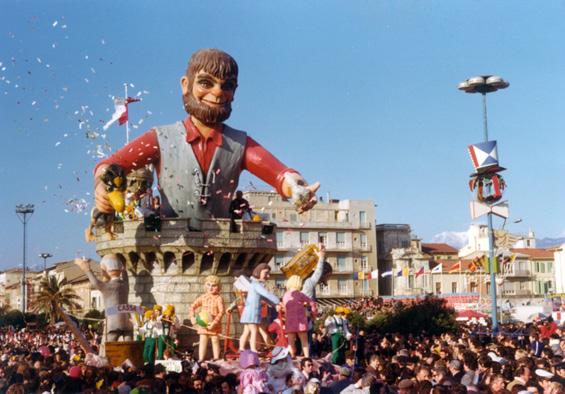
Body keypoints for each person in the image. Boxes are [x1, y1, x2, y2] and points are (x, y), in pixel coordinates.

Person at [94, 48, 319, 228]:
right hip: (171, 244)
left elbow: (279, 174)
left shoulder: (239, 143)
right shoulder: (161, 138)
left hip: (220, 245)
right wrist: (103, 188)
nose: (218, 92)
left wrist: (296, 188)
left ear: (235, 90)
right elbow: (110, 166)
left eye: (227, 85)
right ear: (186, 84)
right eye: (206, 83)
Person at [74, 255, 133, 342]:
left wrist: (86, 268)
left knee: (110, 349)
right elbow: (124, 273)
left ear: (105, 269)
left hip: (113, 323)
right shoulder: (125, 284)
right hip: (127, 322)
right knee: (130, 347)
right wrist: (120, 263)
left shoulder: (107, 287)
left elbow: (94, 282)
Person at [239, 264, 280, 353]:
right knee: (253, 331)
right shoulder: (256, 285)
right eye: (266, 273)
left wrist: (274, 304)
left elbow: (264, 298)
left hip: (249, 313)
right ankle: (253, 349)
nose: (268, 276)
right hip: (252, 313)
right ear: (258, 272)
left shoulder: (254, 284)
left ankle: (241, 348)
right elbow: (267, 294)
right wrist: (278, 301)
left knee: (246, 331)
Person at [188, 275, 226, 361]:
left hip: (214, 325)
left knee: (215, 340)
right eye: (208, 285)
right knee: (202, 340)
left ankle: (216, 359)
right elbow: (192, 306)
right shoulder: (203, 297)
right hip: (203, 323)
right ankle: (201, 359)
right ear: (205, 285)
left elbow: (222, 312)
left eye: (214, 285)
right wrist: (192, 317)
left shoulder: (219, 298)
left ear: (219, 287)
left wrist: (214, 323)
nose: (211, 288)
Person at [282, 275, 317, 358]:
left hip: (290, 321)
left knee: (291, 342)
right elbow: (312, 303)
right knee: (304, 342)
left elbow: (285, 309)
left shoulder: (285, 295)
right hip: (301, 321)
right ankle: (307, 357)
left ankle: (292, 357)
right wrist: (313, 313)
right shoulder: (300, 294)